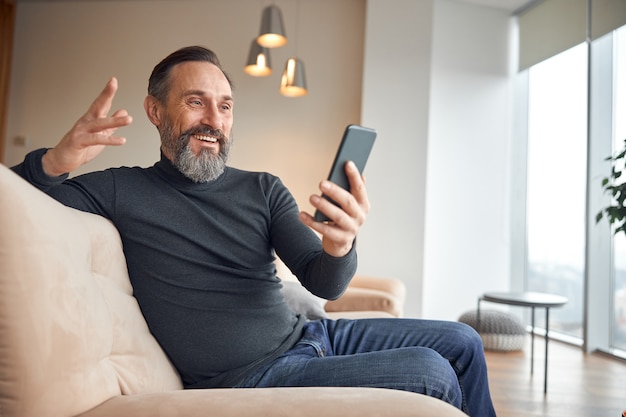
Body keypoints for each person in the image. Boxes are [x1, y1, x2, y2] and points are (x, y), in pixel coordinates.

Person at [12, 45, 496, 416]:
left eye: (224, 107)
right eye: (196, 102)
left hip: (311, 338)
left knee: (463, 341)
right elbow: (14, 200)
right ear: (156, 112)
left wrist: (340, 245)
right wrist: (56, 161)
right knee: (432, 371)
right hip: (254, 376)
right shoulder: (121, 190)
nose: (214, 121)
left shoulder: (262, 189)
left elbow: (323, 281)